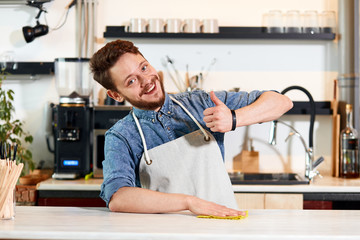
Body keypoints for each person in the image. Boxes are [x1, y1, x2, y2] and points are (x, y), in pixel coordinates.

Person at [90, 40, 293, 217]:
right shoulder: (121, 136)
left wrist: (233, 118)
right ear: (116, 95)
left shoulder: (201, 102)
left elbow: (281, 102)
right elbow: (119, 197)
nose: (146, 81)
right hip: (162, 234)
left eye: (144, 68)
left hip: (221, 225)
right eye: (131, 81)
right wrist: (189, 203)